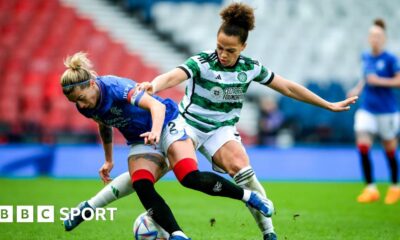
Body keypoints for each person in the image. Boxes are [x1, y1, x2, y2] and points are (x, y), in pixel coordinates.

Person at [137, 3, 357, 240]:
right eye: (219, 47)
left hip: (220, 131)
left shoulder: (250, 68)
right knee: (155, 175)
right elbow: (173, 76)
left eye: (230, 50)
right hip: (187, 126)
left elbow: (288, 88)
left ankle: (269, 233)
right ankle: (99, 202)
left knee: (245, 174)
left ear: (243, 47)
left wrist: (327, 104)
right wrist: (154, 85)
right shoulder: (202, 62)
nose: (223, 54)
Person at [60, 52, 273, 239]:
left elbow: (156, 107)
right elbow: (104, 124)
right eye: (75, 102)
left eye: (80, 98)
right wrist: (108, 159)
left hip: (168, 123)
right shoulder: (86, 105)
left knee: (189, 177)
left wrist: (154, 131)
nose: (80, 105)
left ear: (90, 84)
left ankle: (248, 197)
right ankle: (177, 235)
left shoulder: (115, 88)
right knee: (141, 183)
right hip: (141, 139)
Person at [347, 19, 400, 205]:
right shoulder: (366, 57)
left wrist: (380, 81)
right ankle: (370, 188)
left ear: (384, 38)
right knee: (362, 144)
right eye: (371, 36)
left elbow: (398, 81)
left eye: (377, 36)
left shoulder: (391, 59)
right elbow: (365, 78)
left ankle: (394, 186)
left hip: (387, 111)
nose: (374, 39)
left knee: (390, 150)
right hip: (367, 109)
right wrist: (357, 90)